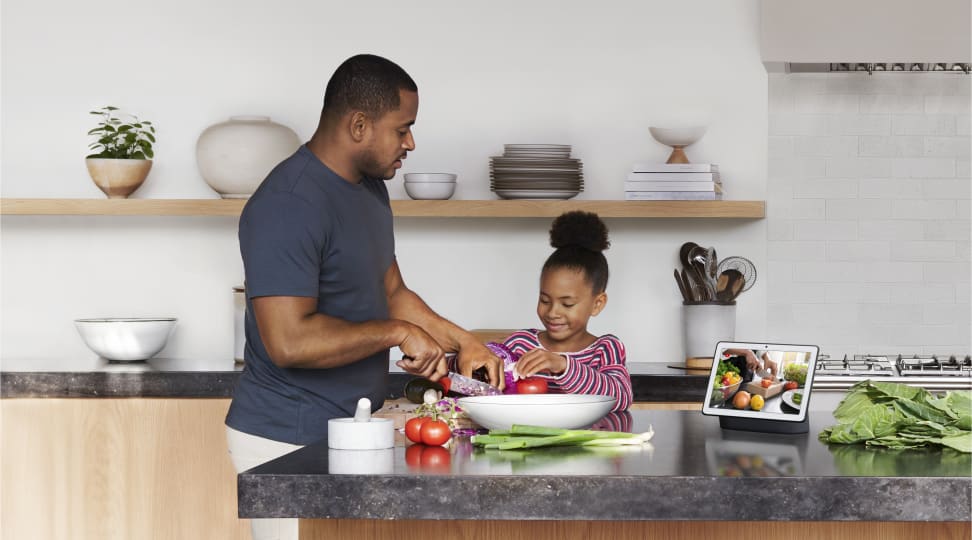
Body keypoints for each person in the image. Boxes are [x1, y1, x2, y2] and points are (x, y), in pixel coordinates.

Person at [225, 53, 504, 540]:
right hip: (284, 439)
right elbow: (288, 341)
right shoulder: (288, 205)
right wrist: (398, 333)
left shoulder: (369, 190)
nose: (410, 142)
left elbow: (391, 290)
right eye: (402, 129)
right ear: (358, 125)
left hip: (352, 431)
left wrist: (466, 343)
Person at [502, 211, 633, 412]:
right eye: (545, 300)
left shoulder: (605, 349)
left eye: (567, 304)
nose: (553, 312)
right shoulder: (520, 344)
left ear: (597, 304)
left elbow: (621, 398)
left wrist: (563, 366)